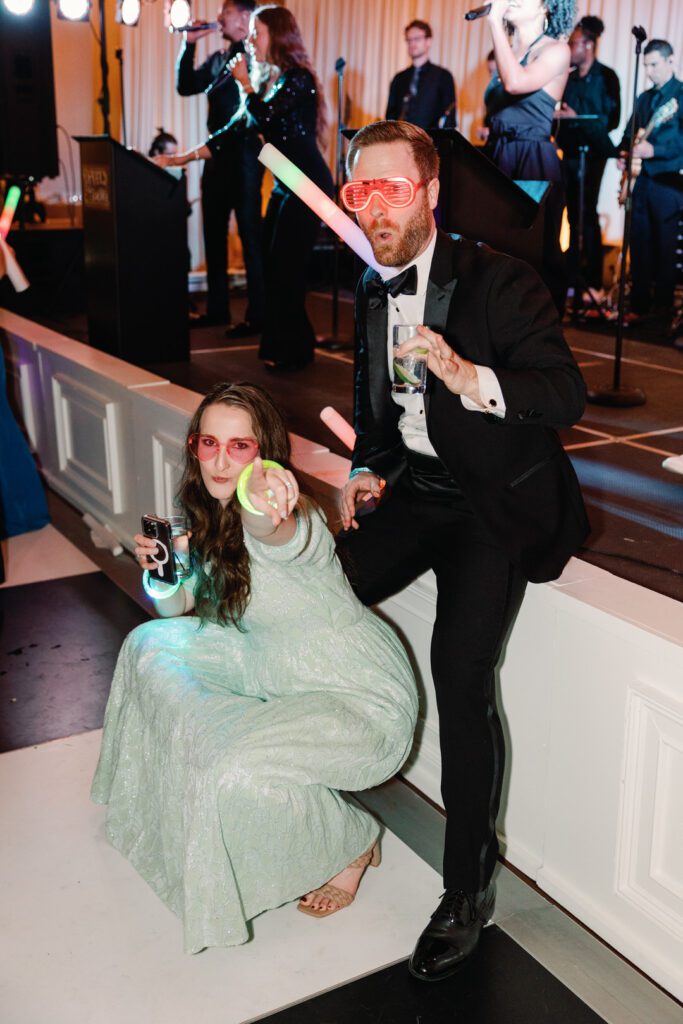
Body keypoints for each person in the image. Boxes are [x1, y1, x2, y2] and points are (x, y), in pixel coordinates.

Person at [335, 120, 589, 982]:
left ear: (431, 195)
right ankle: (323, 788)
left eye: (391, 189)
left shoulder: (500, 281)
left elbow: (565, 392)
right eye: (358, 191)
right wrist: (366, 470)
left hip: (492, 510)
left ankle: (465, 891)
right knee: (317, 590)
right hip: (418, 496)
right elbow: (375, 419)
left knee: (460, 676)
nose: (372, 208)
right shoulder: (372, 291)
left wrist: (465, 377)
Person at [91, 381, 418, 952]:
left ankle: (351, 840)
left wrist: (261, 499)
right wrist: (166, 571)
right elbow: (177, 608)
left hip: (352, 694)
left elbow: (274, 530)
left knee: (230, 762)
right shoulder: (202, 515)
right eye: (209, 442)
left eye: (240, 446)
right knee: (150, 645)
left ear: (264, 453)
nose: (220, 459)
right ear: (194, 447)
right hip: (264, 664)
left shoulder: (292, 516)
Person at [161, 5, 333, 372]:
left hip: (309, 185)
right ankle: (296, 345)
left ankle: (292, 350)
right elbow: (229, 133)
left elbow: (265, 116)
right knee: (274, 267)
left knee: (287, 268)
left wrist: (244, 83)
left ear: (278, 37)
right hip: (285, 183)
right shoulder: (267, 82)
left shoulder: (297, 78)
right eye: (251, 34)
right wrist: (182, 159)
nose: (251, 42)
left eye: (258, 34)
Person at [176, 0, 265, 334]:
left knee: (249, 235)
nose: (217, 19)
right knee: (213, 232)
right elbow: (186, 86)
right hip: (215, 156)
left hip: (244, 155)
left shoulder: (254, 55)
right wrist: (189, 45)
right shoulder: (217, 59)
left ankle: (258, 313)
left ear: (243, 17)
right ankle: (217, 308)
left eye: (224, 14)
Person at [483, 0, 577, 315]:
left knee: (532, 254)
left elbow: (516, 83)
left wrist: (494, 21)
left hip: (532, 158)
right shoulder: (510, 51)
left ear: (547, 6)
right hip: (499, 155)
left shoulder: (557, 49)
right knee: (494, 250)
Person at [555, 16, 621, 299]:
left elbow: (612, 120)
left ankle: (592, 280)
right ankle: (571, 277)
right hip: (569, 152)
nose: (570, 48)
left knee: (587, 214)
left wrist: (576, 118)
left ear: (589, 45)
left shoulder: (607, 77)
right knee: (571, 217)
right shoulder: (567, 77)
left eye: (574, 43)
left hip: (593, 155)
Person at [618, 39, 683, 319]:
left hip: (669, 182)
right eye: (646, 66)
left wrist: (655, 150)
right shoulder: (644, 98)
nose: (649, 71)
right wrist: (623, 151)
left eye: (654, 64)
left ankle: (663, 308)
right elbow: (629, 131)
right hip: (641, 180)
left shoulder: (681, 96)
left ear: (671, 61)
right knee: (639, 242)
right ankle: (639, 306)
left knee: (665, 246)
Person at [386, 20, 457, 130]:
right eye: (409, 40)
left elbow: (449, 119)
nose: (412, 44)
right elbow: (390, 117)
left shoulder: (443, 76)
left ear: (429, 41)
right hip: (401, 142)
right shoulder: (399, 78)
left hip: (431, 143)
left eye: (417, 39)